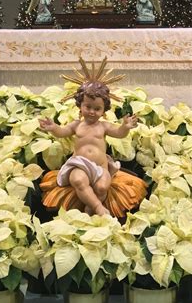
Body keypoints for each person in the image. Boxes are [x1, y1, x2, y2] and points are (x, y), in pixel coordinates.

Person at [39, 80, 137, 215]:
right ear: (80, 105)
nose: (92, 112)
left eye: (97, 109)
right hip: (79, 166)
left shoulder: (104, 126)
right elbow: (62, 132)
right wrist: (53, 128)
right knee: (78, 180)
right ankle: (98, 207)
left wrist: (125, 127)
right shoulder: (76, 125)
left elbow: (119, 133)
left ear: (104, 110)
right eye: (88, 107)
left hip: (100, 167)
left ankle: (90, 208)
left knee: (102, 187)